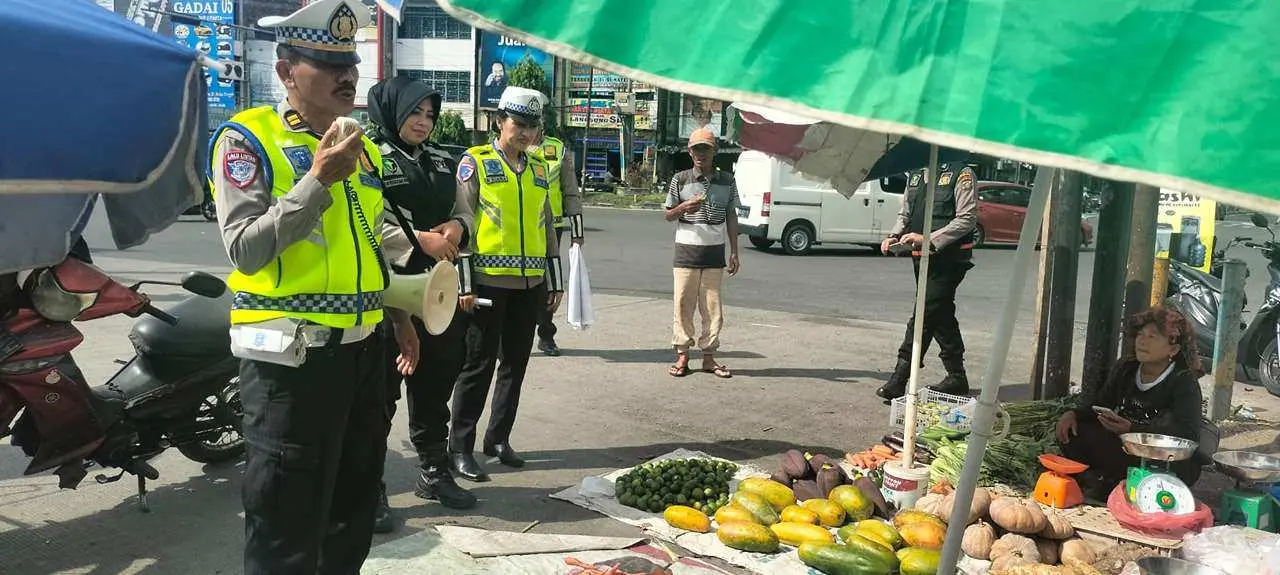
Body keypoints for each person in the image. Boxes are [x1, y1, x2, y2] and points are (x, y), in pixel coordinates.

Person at [208, 1, 419, 572]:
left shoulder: (362, 144)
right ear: (285, 72)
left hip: (361, 356)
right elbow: (246, 248)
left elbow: (372, 242)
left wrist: (399, 313)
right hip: (289, 362)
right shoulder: (247, 139)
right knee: (287, 519)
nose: (346, 76)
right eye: (327, 64)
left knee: (352, 509)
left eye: (349, 62)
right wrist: (317, 180)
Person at [365, 77, 477, 532]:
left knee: (434, 387)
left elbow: (467, 212)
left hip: (440, 291)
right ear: (392, 111)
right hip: (388, 292)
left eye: (430, 115)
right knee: (379, 397)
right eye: (415, 113)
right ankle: (369, 486)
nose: (424, 122)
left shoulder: (442, 159)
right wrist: (420, 241)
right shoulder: (367, 156)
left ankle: (434, 470)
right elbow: (364, 222)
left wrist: (454, 228)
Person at [437, 86, 563, 482]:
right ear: (499, 122)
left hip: (530, 285)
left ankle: (498, 438)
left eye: (533, 126)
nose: (525, 133)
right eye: (518, 124)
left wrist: (554, 280)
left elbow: (547, 226)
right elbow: (462, 220)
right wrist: (464, 284)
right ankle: (459, 447)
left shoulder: (540, 168)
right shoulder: (475, 162)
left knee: (516, 364)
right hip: (487, 284)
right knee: (478, 365)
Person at [1056, 307, 1205, 496]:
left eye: (1153, 337)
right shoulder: (1127, 368)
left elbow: (1188, 434)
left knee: (1163, 463)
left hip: (1166, 458)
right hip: (1127, 448)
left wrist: (1132, 429)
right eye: (1140, 335)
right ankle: (1100, 480)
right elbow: (1103, 402)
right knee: (1076, 431)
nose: (1142, 341)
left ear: (1173, 349)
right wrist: (1073, 414)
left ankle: (1120, 484)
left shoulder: (1183, 382)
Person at [876, 161, 978, 399]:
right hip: (920, 258)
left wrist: (928, 238)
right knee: (939, 312)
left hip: (950, 258)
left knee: (924, 310)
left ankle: (900, 377)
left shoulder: (961, 173)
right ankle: (956, 376)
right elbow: (906, 213)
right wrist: (894, 236)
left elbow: (967, 219)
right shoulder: (914, 174)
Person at [662, 128, 740, 379]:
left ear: (714, 151)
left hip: (714, 255)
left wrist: (735, 251)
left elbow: (731, 215)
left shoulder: (727, 180)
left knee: (712, 308)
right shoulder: (680, 179)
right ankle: (682, 354)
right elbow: (668, 214)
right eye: (696, 149)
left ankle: (709, 356)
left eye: (705, 149)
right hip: (686, 253)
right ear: (690, 152)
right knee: (683, 305)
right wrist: (685, 206)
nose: (700, 154)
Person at [530, 126, 585, 356]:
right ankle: (507, 339)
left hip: (553, 227)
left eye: (534, 123)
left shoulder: (557, 149)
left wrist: (577, 230)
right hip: (521, 227)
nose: (530, 129)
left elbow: (570, 191)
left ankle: (546, 335)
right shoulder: (511, 147)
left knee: (548, 282)